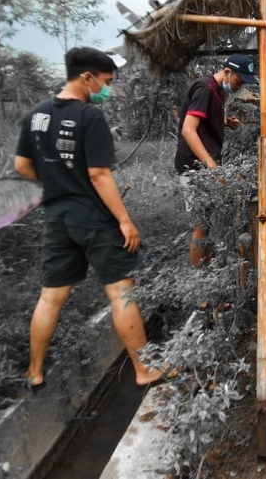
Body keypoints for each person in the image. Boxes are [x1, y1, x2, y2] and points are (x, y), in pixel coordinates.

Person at [14, 47, 166, 389]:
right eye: (105, 81)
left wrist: (56, 181)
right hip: (92, 216)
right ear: (87, 77)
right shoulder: (89, 117)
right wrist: (125, 221)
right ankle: (144, 370)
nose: (106, 89)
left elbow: (21, 167)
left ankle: (34, 371)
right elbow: (99, 175)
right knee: (120, 293)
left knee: (50, 296)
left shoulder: (35, 116)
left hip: (56, 215)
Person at [174, 54, 257, 266]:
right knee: (201, 224)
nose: (239, 87)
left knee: (207, 222)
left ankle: (207, 268)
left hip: (204, 166)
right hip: (194, 166)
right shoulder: (204, 88)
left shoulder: (218, 90)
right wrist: (210, 165)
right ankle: (201, 282)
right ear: (227, 72)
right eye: (239, 81)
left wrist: (225, 122)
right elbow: (188, 129)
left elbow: (204, 118)